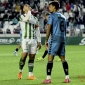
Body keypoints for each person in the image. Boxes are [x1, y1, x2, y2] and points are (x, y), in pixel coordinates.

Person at [43, 1, 70, 84]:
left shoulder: (51, 16)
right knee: (63, 59)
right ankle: (67, 78)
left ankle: (48, 79)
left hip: (55, 39)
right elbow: (65, 30)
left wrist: (46, 40)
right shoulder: (63, 17)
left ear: (54, 7)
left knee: (50, 59)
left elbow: (49, 29)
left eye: (50, 6)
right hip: (62, 39)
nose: (49, 8)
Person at [18, 4, 41, 80]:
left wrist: (39, 41)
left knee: (32, 57)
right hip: (25, 39)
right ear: (24, 9)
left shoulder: (35, 18)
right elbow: (28, 19)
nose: (27, 6)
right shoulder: (22, 16)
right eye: (25, 6)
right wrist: (29, 12)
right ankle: (20, 71)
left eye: (28, 6)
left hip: (33, 40)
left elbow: (37, 30)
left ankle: (30, 75)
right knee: (24, 55)